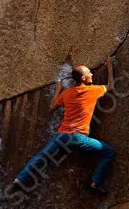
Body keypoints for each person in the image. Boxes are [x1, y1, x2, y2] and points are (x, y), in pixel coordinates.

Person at [14, 57, 116, 196]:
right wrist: (109, 67)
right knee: (109, 152)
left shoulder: (67, 93)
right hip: (78, 138)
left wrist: (58, 88)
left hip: (61, 136)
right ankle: (95, 183)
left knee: (42, 156)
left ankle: (19, 179)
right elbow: (110, 87)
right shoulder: (93, 91)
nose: (92, 74)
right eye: (89, 73)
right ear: (83, 78)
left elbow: (52, 106)